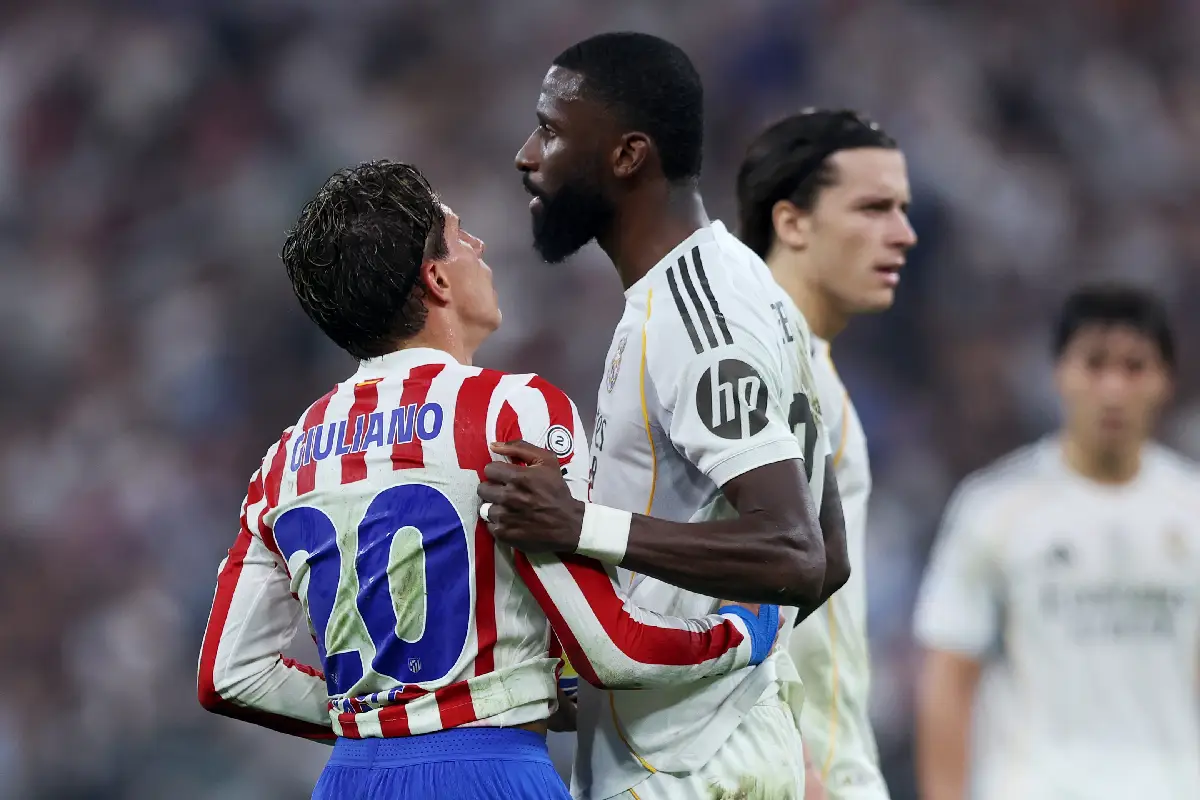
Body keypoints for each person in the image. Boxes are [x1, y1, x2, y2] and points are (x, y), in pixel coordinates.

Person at [196, 160, 786, 800]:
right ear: (437, 278)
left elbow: (231, 675)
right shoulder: (512, 412)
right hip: (487, 772)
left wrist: (383, 718)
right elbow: (614, 651)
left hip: (350, 780)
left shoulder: (286, 460)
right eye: (459, 234)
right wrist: (744, 631)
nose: (479, 246)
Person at [482, 32, 851, 799]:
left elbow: (796, 550)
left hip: (684, 772)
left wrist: (576, 526)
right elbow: (827, 553)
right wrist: (649, 663)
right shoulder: (737, 290)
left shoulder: (698, 316)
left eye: (550, 129)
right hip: (701, 751)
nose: (526, 155)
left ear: (627, 155)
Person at [913, 284, 1200, 800]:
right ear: (1059, 374)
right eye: (1094, 364)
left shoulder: (1192, 511)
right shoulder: (994, 508)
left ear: (1165, 382)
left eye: (1135, 367)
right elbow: (949, 678)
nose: (1113, 388)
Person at [736, 107, 916, 800]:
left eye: (901, 209)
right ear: (792, 222)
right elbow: (728, 588)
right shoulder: (759, 371)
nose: (903, 233)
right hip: (797, 773)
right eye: (873, 208)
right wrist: (804, 770)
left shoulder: (810, 369)